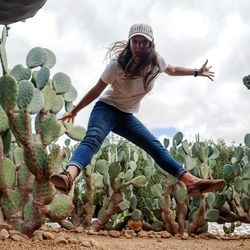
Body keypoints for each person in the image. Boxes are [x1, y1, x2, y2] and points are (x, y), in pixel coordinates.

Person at [50, 23, 224, 196]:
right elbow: (97, 89)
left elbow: (172, 70)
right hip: (106, 109)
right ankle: (68, 176)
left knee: (154, 146)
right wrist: (75, 110)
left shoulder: (156, 62)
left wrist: (196, 72)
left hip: (126, 115)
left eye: (144, 42)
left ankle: (191, 182)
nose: (139, 46)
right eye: (135, 41)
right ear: (130, 42)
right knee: (93, 138)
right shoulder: (116, 64)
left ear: (150, 44)